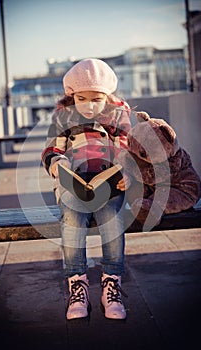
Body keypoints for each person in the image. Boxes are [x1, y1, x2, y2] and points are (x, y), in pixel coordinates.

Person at [41, 58, 132, 320]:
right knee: (72, 220)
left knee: (111, 220)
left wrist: (126, 172)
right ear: (72, 96)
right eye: (82, 98)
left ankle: (111, 283)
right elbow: (52, 149)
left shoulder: (118, 116)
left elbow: (126, 150)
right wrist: (57, 163)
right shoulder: (63, 117)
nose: (90, 105)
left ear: (108, 96)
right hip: (75, 182)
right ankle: (77, 284)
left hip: (109, 182)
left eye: (97, 99)